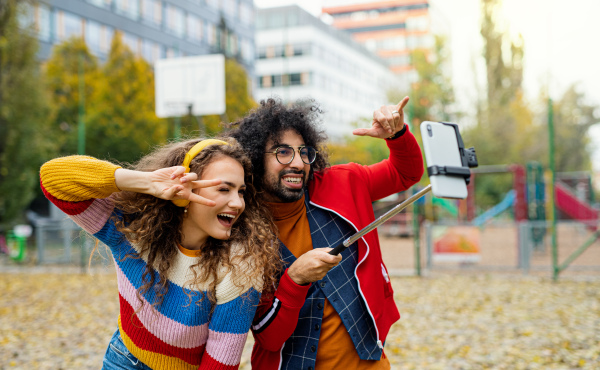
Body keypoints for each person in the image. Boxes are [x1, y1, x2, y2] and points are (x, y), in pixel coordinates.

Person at [39, 138, 280, 370]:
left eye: (241, 192)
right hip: (123, 358)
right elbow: (53, 178)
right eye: (224, 189)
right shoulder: (133, 226)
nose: (238, 203)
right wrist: (146, 182)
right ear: (182, 189)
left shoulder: (240, 263)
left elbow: (220, 361)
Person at [226, 97, 424, 369]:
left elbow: (406, 173)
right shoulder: (240, 228)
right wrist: (294, 279)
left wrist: (398, 135)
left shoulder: (344, 182)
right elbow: (268, 338)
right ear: (256, 157)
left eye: (304, 152)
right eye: (283, 152)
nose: (297, 163)